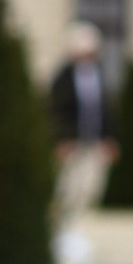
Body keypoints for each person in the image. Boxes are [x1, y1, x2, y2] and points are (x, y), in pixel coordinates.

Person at [47, 19, 114, 229]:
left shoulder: (99, 75)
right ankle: (60, 233)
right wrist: (62, 138)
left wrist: (109, 138)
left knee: (90, 190)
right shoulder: (62, 77)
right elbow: (55, 111)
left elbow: (106, 109)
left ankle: (77, 232)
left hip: (94, 143)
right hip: (71, 143)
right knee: (66, 190)